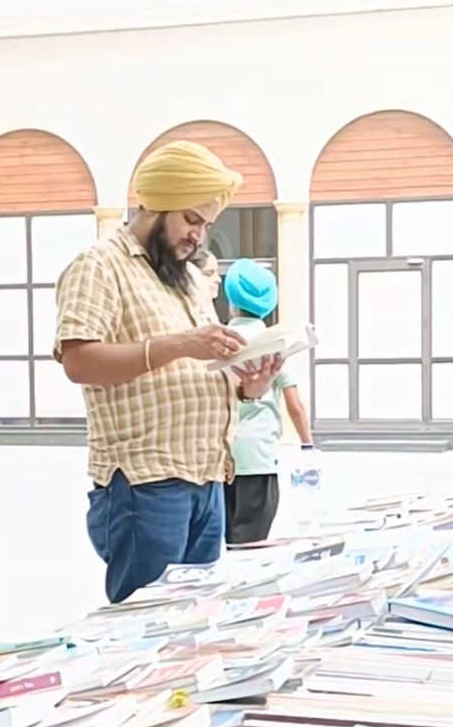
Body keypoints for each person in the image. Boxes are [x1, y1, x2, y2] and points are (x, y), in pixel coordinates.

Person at [55, 140, 284, 604]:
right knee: (146, 628)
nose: (199, 236)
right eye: (191, 220)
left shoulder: (185, 277)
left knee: (193, 628)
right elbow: (78, 361)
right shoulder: (100, 267)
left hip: (208, 480)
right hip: (147, 485)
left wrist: (247, 388)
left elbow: (196, 369)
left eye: (206, 225)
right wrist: (180, 344)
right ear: (155, 204)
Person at [221, 260, 315, 544]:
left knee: (225, 539)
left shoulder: (219, 342)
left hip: (221, 458)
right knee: (250, 543)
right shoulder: (275, 345)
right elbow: (295, 407)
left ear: (231, 302)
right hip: (259, 459)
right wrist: (307, 445)